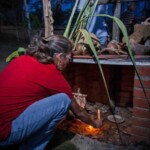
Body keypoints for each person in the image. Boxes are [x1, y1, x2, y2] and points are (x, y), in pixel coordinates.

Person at [0, 35, 102, 150]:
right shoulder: (51, 74)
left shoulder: (21, 59)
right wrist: (95, 124)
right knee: (63, 101)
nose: (69, 62)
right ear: (59, 57)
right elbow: (78, 112)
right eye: (69, 58)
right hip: (4, 134)